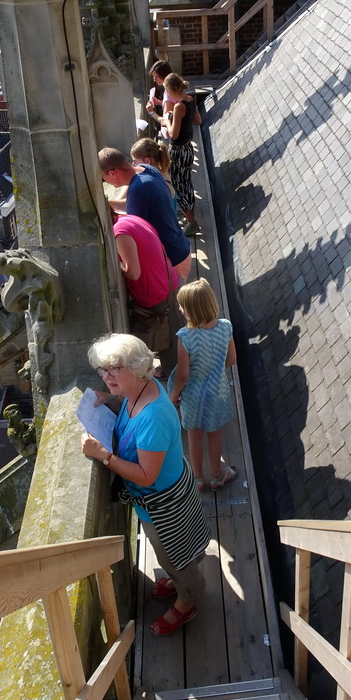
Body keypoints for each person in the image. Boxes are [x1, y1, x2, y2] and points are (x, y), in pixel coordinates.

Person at [82, 333, 209, 636]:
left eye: (114, 369)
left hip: (164, 504)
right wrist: (110, 395)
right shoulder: (139, 390)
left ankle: (188, 598)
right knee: (174, 551)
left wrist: (104, 456)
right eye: (102, 369)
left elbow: (145, 475)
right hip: (167, 494)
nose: (106, 375)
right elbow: (129, 402)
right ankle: (178, 578)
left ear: (137, 369)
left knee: (171, 555)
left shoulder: (152, 416)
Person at [168, 278, 238, 492]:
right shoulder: (225, 327)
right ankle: (217, 477)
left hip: (193, 396)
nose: (179, 308)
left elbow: (182, 375)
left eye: (181, 305)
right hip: (218, 392)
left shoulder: (185, 337)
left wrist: (173, 396)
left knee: (194, 436)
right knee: (215, 434)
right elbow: (232, 359)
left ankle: (198, 480)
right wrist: (214, 369)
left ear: (190, 310)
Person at [99, 147, 192, 281]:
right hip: (181, 247)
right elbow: (134, 204)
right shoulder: (146, 169)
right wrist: (109, 203)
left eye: (103, 178)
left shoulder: (137, 190)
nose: (105, 182)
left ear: (113, 173)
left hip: (173, 259)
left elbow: (133, 230)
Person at [113, 212, 181, 375]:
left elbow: (133, 272)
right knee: (175, 331)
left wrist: (117, 264)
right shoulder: (130, 219)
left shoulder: (120, 233)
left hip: (158, 293)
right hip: (168, 281)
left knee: (171, 340)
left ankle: (173, 375)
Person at [160, 72, 200, 237]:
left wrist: (168, 120)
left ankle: (191, 222)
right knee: (186, 182)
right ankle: (189, 216)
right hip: (188, 149)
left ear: (170, 89)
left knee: (178, 185)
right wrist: (182, 121)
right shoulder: (190, 99)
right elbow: (198, 121)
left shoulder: (178, 107)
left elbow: (173, 135)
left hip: (178, 152)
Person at [131, 137, 177, 216]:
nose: (133, 164)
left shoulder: (159, 184)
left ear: (147, 161)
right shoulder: (162, 171)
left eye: (135, 161)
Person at [146, 60, 173, 139]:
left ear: (165, 75)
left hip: (170, 137)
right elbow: (172, 104)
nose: (154, 80)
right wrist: (159, 102)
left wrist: (151, 112)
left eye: (157, 76)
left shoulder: (169, 93)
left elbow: (165, 121)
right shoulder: (173, 88)